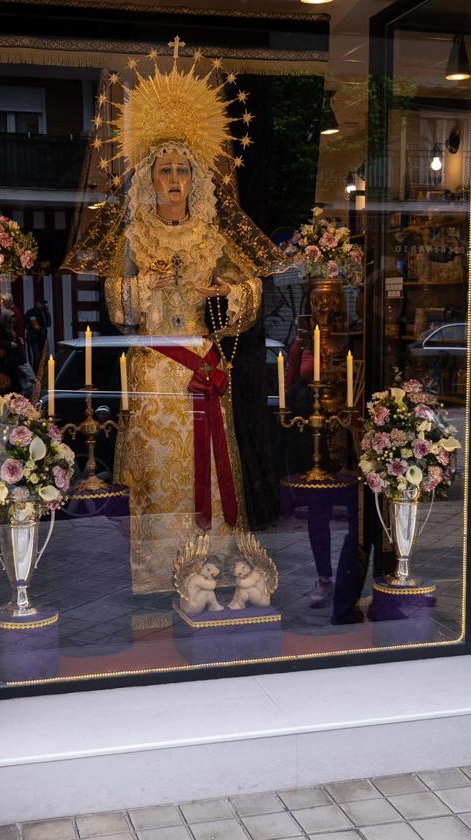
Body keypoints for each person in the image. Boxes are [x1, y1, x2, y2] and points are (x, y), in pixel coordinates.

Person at [63, 55, 285, 594]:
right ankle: (158, 576)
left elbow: (252, 293)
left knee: (207, 471)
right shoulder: (133, 237)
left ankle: (217, 569)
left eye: (183, 170)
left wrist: (228, 294)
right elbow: (117, 305)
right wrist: (145, 288)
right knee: (161, 481)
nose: (175, 180)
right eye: (165, 170)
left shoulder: (213, 236)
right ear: (148, 178)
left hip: (204, 371)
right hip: (157, 376)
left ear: (197, 178)